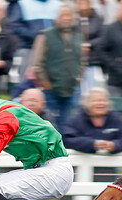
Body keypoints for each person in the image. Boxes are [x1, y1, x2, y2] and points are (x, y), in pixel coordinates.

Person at [30, 3, 82, 131]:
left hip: (71, 88)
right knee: (50, 125)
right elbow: (37, 62)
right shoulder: (46, 35)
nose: (66, 18)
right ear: (58, 17)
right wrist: (44, 82)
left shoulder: (78, 36)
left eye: (69, 15)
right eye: (63, 15)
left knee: (68, 124)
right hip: (50, 88)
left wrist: (79, 77)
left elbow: (83, 60)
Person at [62, 87, 122, 154]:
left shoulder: (116, 119)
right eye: (96, 101)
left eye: (104, 100)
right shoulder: (75, 121)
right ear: (87, 103)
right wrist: (92, 144)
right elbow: (67, 140)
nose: (101, 104)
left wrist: (115, 145)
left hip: (112, 164)